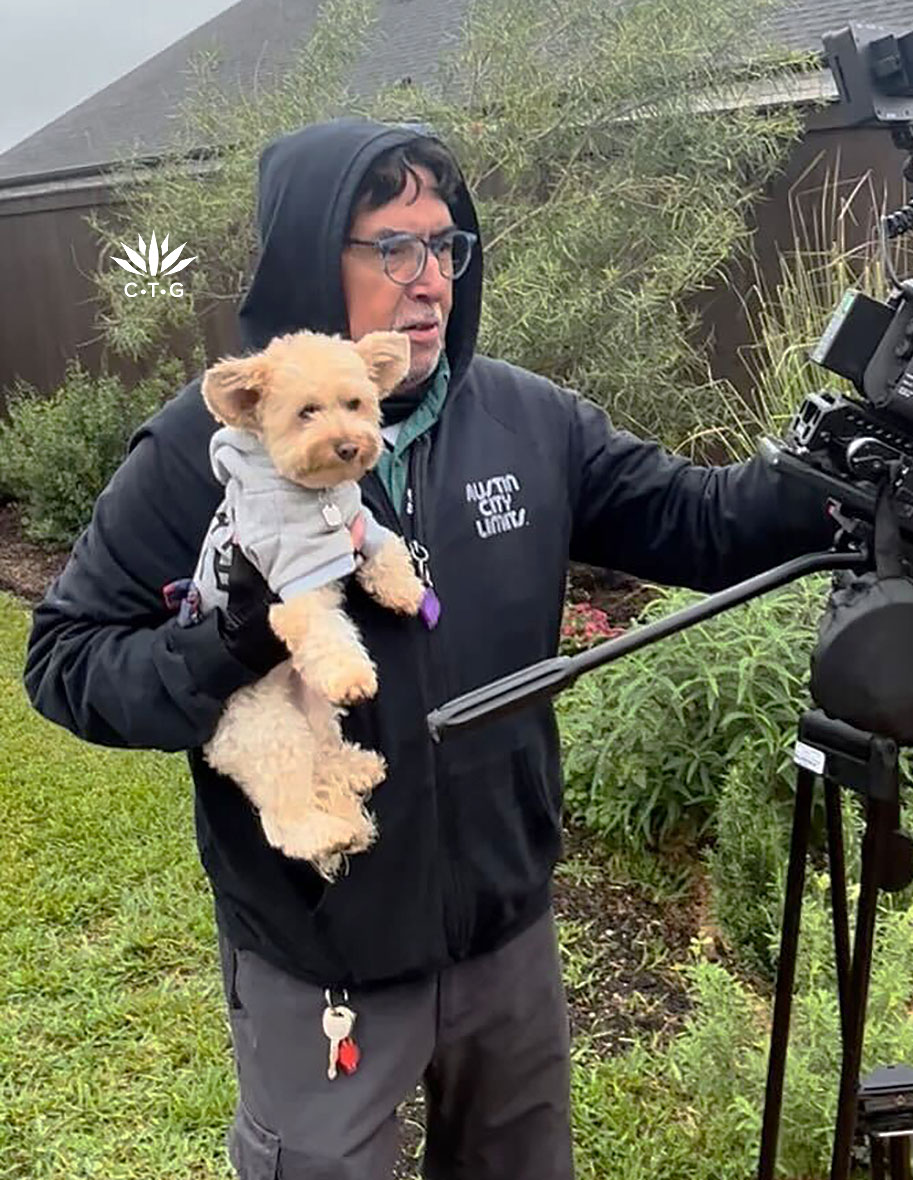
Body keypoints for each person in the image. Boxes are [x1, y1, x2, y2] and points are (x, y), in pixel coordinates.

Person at [23, 118, 833, 1180]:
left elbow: (704, 521)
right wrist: (229, 641)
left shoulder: (529, 420)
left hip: (507, 927)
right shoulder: (202, 451)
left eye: (445, 247)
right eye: (392, 247)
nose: (430, 280)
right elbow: (65, 660)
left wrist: (844, 465)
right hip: (324, 942)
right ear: (316, 255)